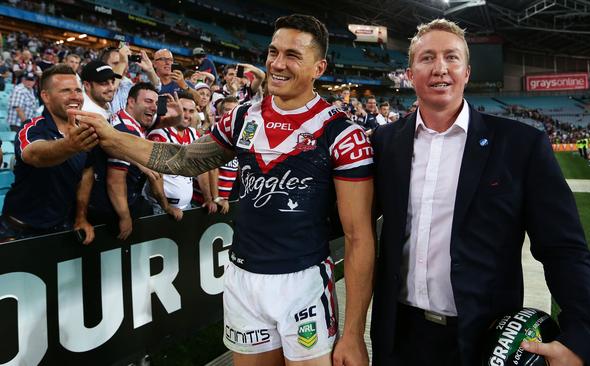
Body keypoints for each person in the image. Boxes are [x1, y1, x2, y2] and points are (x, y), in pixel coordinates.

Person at [73, 14, 374, 366]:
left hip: (303, 283)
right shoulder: (242, 117)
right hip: (243, 279)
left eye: (292, 55)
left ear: (318, 67)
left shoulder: (341, 133)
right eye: (273, 51)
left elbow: (359, 237)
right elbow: (186, 160)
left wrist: (353, 333)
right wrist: (114, 139)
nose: (277, 63)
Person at [370, 19, 590, 366]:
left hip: (483, 339)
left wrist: (579, 338)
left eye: (451, 57)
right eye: (427, 58)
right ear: (410, 72)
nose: (440, 68)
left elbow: (563, 248)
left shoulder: (520, 145)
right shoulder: (384, 144)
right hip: (397, 337)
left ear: (467, 72)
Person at [0, 64, 97, 243]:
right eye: (66, 91)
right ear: (46, 96)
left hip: (63, 228)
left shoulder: (85, 130)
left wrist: (81, 217)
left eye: (78, 90)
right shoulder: (30, 128)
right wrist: (70, 145)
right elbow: (35, 155)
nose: (75, 96)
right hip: (19, 230)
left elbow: (86, 172)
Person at [85, 83, 159, 240]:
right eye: (148, 101)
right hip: (111, 212)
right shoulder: (126, 131)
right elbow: (115, 181)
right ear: (131, 102)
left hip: (108, 204)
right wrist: (125, 217)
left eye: (156, 103)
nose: (154, 107)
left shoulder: (124, 120)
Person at [145, 93, 216, 219]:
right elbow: (155, 176)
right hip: (161, 208)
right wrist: (166, 206)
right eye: (183, 110)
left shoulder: (194, 134)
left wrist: (208, 198)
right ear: (174, 110)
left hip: (186, 206)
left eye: (191, 111)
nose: (187, 115)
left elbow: (201, 170)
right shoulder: (159, 134)